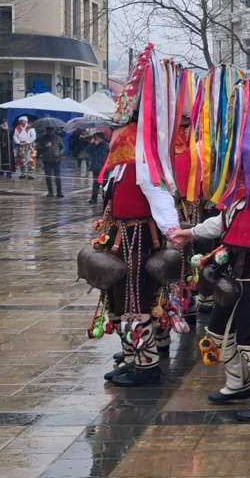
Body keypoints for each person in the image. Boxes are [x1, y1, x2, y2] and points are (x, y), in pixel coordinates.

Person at [172, 135, 250, 421]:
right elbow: (221, 223)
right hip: (231, 273)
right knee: (219, 332)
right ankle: (237, 385)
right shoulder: (238, 194)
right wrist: (191, 232)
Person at [92, 44, 183, 388]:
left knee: (135, 300)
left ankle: (145, 367)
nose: (110, 134)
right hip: (121, 234)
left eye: (114, 127)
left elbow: (158, 193)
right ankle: (131, 359)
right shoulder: (122, 157)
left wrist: (172, 229)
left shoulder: (140, 153)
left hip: (138, 236)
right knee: (118, 298)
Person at [35, 126, 65, 198]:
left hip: (56, 160)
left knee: (57, 176)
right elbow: (38, 148)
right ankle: (50, 191)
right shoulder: (42, 138)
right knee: (48, 177)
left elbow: (63, 147)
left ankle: (59, 191)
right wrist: (45, 146)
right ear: (46, 130)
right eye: (49, 130)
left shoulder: (57, 138)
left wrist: (60, 153)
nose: (50, 131)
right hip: (46, 160)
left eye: (52, 130)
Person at [86, 133, 109, 204]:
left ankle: (105, 197)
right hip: (96, 167)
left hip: (104, 167)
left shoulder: (107, 145)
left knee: (105, 184)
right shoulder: (94, 146)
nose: (96, 139)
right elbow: (88, 151)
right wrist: (92, 144)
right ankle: (94, 198)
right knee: (95, 183)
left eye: (97, 138)